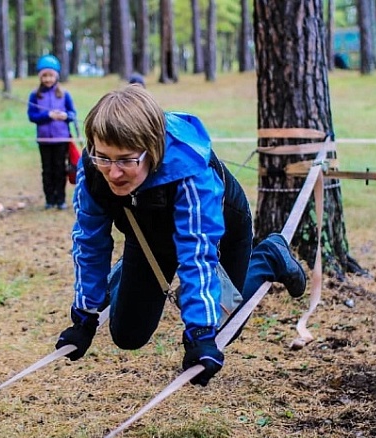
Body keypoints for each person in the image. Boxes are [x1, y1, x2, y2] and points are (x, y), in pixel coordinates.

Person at [54, 85, 307, 386]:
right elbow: (89, 241)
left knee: (222, 325)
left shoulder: (189, 174)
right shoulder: (93, 169)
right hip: (147, 233)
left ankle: (268, 257)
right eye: (104, 158)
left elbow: (196, 251)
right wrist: (84, 313)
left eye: (126, 160)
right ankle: (126, 272)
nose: (114, 172)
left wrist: (200, 332)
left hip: (216, 230)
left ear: (153, 149)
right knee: (127, 335)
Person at [27, 54, 77, 210]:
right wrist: (47, 115)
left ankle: (61, 199)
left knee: (60, 169)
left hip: (61, 139)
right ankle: (50, 199)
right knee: (47, 170)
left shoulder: (64, 94)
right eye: (44, 76)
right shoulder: (35, 95)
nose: (48, 79)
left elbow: (73, 114)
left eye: (51, 75)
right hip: (44, 140)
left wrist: (65, 116)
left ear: (56, 76)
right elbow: (32, 116)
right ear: (40, 77)